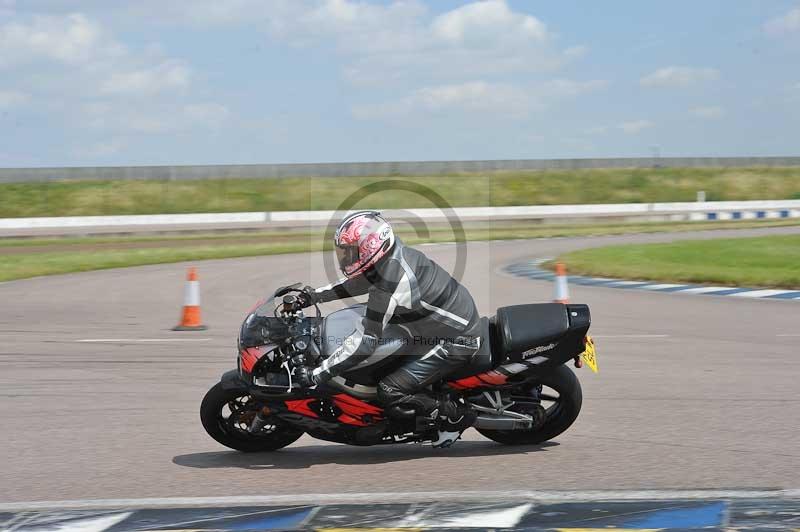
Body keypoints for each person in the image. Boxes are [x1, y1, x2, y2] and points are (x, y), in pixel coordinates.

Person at [294, 210, 481, 447]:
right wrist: (313, 296)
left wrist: (318, 374)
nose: (344, 258)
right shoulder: (390, 257)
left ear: (370, 247)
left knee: (390, 389)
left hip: (458, 339)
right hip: (437, 322)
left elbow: (365, 343)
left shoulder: (389, 285)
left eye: (350, 251)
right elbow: (359, 282)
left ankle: (454, 416)